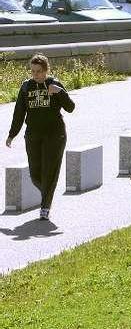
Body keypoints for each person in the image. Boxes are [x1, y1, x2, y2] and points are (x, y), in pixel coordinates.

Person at [6, 54, 75, 220]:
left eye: (39, 71)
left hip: (55, 134)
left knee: (49, 171)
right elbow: (19, 113)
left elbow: (70, 107)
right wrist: (11, 135)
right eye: (33, 71)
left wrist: (60, 93)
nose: (35, 75)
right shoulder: (26, 87)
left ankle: (45, 207)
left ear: (46, 70)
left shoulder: (54, 84)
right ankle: (47, 192)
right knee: (35, 173)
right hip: (33, 135)